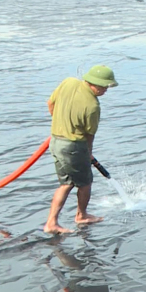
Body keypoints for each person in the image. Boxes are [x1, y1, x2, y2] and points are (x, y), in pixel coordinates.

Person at [44, 66, 118, 234]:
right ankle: (81, 215)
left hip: (55, 142)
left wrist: (60, 124)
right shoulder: (93, 106)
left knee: (66, 184)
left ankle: (51, 223)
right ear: (94, 84)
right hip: (73, 146)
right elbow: (89, 135)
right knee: (85, 183)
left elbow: (50, 103)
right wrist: (88, 153)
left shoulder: (68, 82)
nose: (106, 90)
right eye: (104, 86)